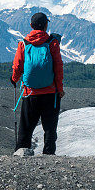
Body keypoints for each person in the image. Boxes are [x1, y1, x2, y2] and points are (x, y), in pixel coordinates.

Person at [11, 11, 64, 156]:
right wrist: (60, 89)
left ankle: (21, 154)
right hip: (50, 94)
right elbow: (58, 67)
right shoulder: (52, 42)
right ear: (46, 26)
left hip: (30, 93)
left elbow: (18, 65)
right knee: (50, 128)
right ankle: (49, 155)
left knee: (26, 128)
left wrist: (14, 79)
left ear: (31, 26)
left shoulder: (23, 43)